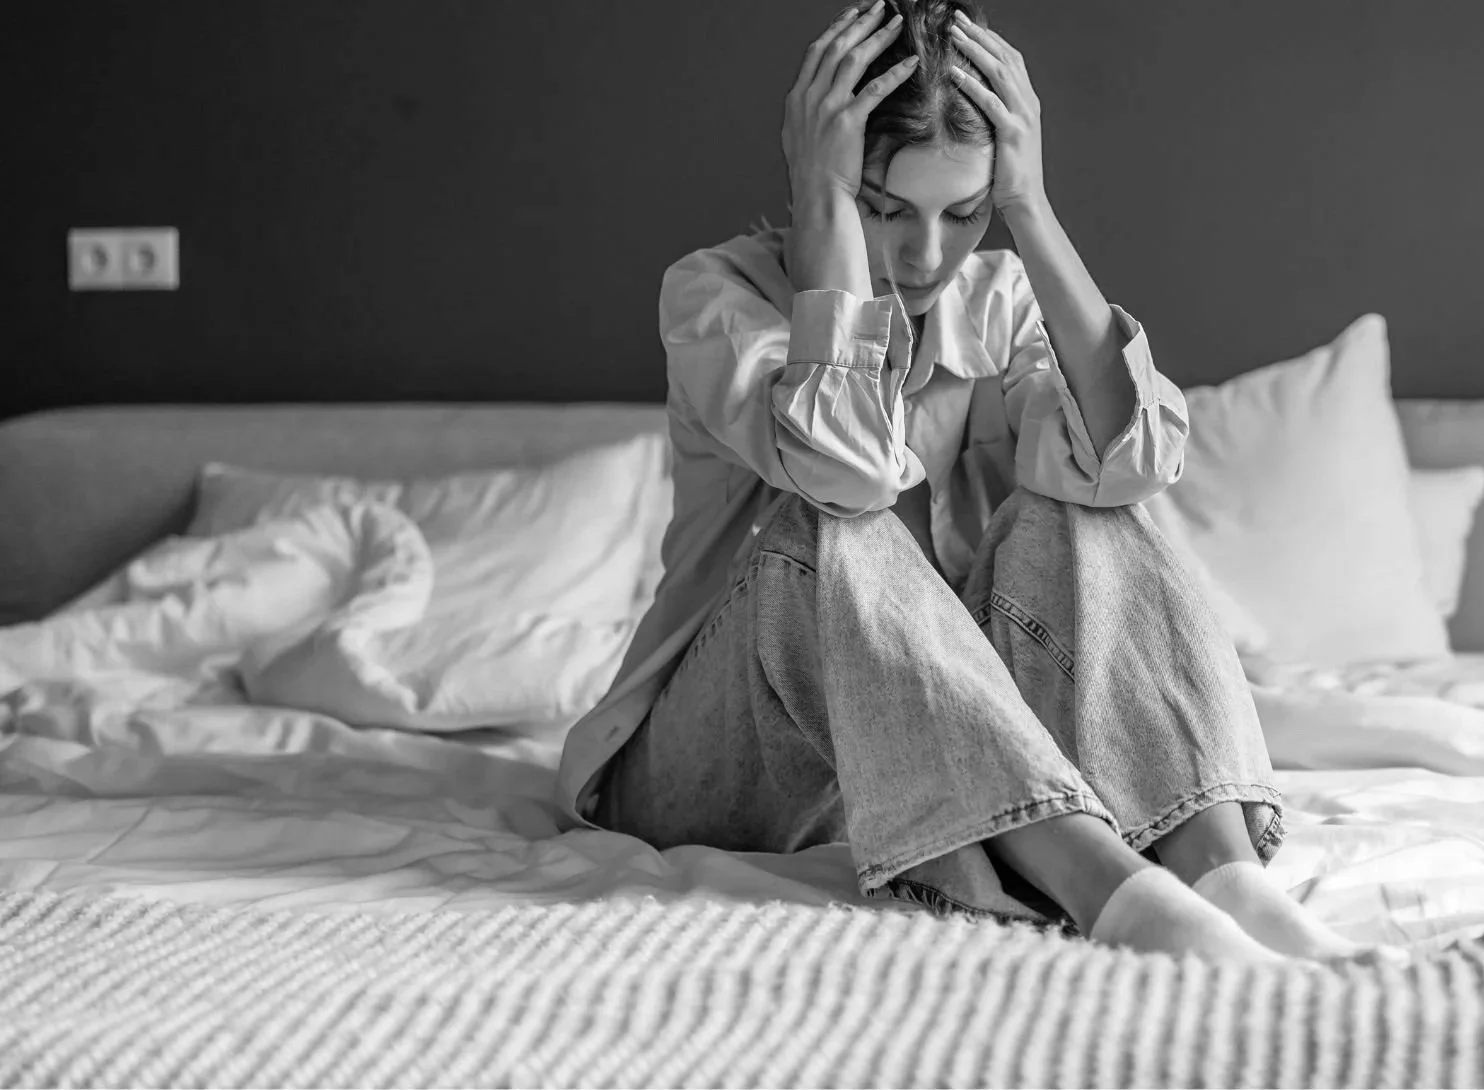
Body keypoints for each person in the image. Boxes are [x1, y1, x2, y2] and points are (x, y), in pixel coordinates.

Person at [555, 0, 1395, 966]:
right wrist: (823, 206)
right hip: (713, 765)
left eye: (963, 213)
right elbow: (848, 477)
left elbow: (1133, 461)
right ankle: (1115, 893)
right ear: (823, 181)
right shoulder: (716, 299)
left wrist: (1030, 209)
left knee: (1090, 503)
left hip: (940, 752)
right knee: (839, 528)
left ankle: (1222, 878)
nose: (924, 255)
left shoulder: (992, 304)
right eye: (882, 208)